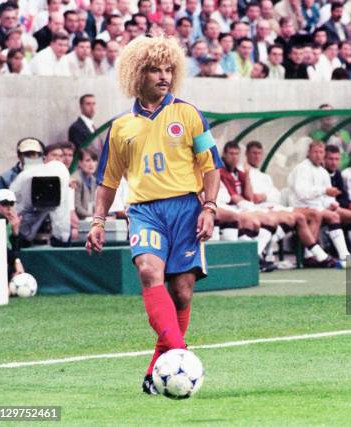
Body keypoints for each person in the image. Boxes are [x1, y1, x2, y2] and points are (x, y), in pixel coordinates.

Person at [86, 36, 223, 396]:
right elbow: (108, 180)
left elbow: (212, 167)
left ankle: (155, 372)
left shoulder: (189, 114)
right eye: (153, 70)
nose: (163, 76)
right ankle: (182, 356)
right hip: (144, 211)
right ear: (136, 74)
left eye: (168, 69)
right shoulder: (120, 128)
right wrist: (98, 220)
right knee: (149, 272)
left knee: (181, 292)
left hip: (186, 209)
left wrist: (209, 207)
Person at [244, 141, 337, 268]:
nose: (257, 156)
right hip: (260, 209)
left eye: (259, 153)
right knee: (301, 217)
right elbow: (251, 197)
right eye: (254, 153)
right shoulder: (243, 171)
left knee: (314, 214)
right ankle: (316, 256)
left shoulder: (264, 176)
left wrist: (265, 196)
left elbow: (276, 195)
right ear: (246, 154)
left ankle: (313, 255)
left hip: (275, 207)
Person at [288, 140, 351, 264]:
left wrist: (332, 203)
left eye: (321, 152)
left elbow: (326, 196)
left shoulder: (323, 172)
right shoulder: (302, 168)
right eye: (315, 152)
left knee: (342, 215)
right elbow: (302, 193)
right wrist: (324, 191)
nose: (318, 155)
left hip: (318, 207)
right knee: (318, 214)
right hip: (300, 207)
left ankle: (345, 255)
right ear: (309, 153)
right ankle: (309, 255)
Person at [323, 146, 351, 255]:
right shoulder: (321, 172)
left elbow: (343, 197)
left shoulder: (337, 174)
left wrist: (343, 204)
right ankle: (344, 255)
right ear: (324, 159)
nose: (334, 162)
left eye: (336, 159)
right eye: (331, 159)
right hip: (321, 208)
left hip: (335, 207)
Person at [0, 189, 22, 282]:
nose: (9, 207)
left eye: (11, 204)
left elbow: (14, 249)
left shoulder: (8, 223)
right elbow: (0, 248)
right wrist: (16, 261)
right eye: (5, 204)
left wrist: (15, 232)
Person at [72, 148, 98, 220]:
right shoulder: (76, 179)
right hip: (77, 221)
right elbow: (77, 207)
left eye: (94, 160)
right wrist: (95, 216)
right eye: (88, 160)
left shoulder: (93, 180)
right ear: (80, 163)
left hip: (88, 219)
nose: (91, 164)